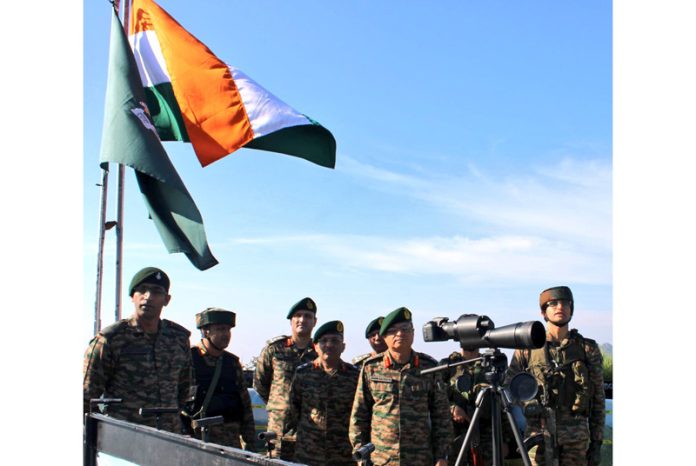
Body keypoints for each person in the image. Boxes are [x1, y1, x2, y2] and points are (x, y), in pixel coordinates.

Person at [83, 267, 193, 433]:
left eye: (156, 292)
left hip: (170, 438)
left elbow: (185, 388)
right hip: (125, 440)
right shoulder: (110, 339)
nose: (148, 297)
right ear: (133, 296)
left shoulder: (178, 339)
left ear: (166, 299)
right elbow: (85, 397)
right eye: (142, 290)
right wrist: (103, 432)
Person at [506, 286, 605, 466]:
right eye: (553, 304)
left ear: (571, 309)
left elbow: (598, 397)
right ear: (543, 311)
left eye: (566, 303)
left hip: (575, 439)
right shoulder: (526, 349)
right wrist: (528, 404)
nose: (560, 307)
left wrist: (597, 442)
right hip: (539, 437)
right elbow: (509, 388)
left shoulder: (587, 349)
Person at [350, 307, 453, 466]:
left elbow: (441, 415)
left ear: (413, 333)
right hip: (381, 459)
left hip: (420, 458)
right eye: (393, 331)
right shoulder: (371, 368)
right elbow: (359, 414)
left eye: (405, 329)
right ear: (384, 337)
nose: (400, 334)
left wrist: (442, 455)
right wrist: (360, 452)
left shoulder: (429, 367)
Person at [253, 297, 318, 458]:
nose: (302, 319)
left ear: (315, 322)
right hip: (279, 427)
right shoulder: (274, 349)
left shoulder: (320, 353)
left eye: (308, 316)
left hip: (311, 427)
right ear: (291, 320)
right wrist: (280, 405)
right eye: (298, 315)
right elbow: (260, 383)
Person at [287, 320, 360, 466]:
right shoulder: (303, 373)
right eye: (324, 341)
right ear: (315, 347)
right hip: (308, 452)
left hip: (342, 454)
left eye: (335, 341)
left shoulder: (355, 375)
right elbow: (293, 411)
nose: (329, 345)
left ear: (343, 346)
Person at [185, 308, 255, 449]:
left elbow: (245, 404)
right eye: (221, 329)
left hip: (230, 443)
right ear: (206, 331)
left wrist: (250, 441)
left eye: (228, 330)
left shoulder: (232, 363)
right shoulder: (188, 360)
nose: (226, 335)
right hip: (197, 442)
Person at [440, 342, 492, 466]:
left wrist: (505, 439)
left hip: (486, 435)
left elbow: (502, 404)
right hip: (455, 433)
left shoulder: (489, 365)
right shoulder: (447, 365)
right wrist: (452, 408)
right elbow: (434, 397)